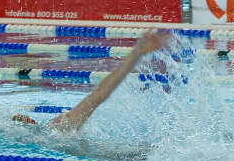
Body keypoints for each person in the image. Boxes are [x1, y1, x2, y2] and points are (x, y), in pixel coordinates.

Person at [11, 30, 174, 140]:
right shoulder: (56, 128)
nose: (31, 120)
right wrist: (137, 51)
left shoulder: (51, 131)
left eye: (28, 119)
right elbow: (98, 95)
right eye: (27, 121)